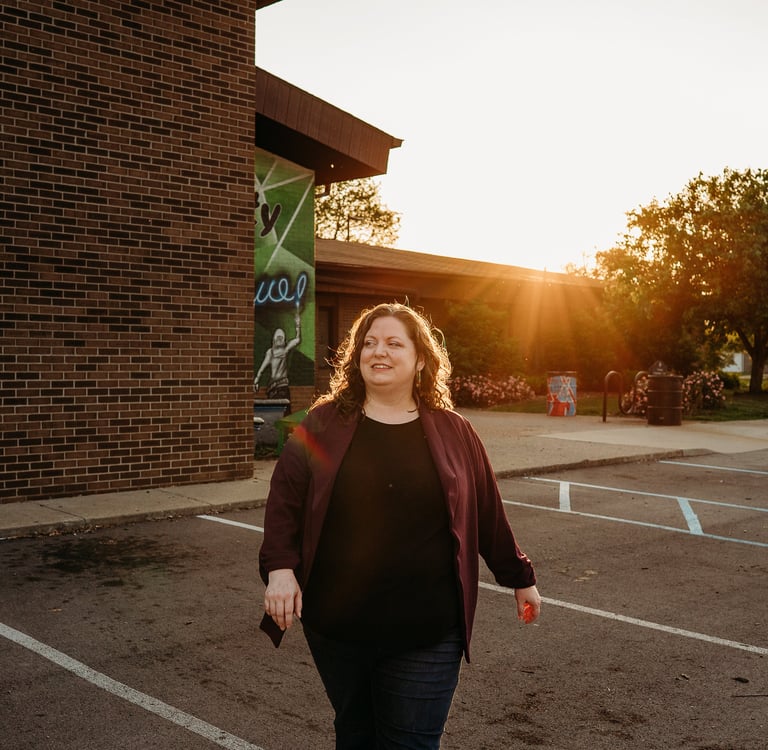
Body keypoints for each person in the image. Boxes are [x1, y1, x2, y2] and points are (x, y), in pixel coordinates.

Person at [259, 302, 541, 750]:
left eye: (393, 343)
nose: (378, 352)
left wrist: (519, 577)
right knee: (355, 734)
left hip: (426, 630)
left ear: (421, 359)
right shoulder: (324, 423)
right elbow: (285, 502)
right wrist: (279, 569)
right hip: (337, 626)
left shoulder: (455, 432)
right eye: (368, 343)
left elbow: (487, 512)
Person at [254, 311, 301, 400]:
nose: (279, 339)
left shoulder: (285, 349)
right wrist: (256, 380)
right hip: (274, 386)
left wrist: (298, 325)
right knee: (276, 410)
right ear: (274, 340)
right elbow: (261, 369)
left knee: (281, 410)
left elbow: (297, 340)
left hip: (281, 385)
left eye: (281, 338)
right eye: (278, 337)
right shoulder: (271, 352)